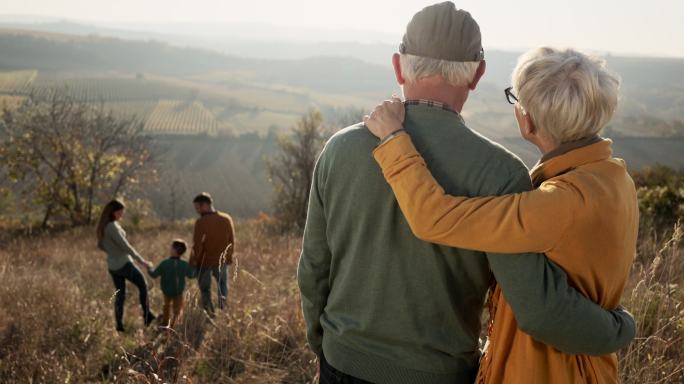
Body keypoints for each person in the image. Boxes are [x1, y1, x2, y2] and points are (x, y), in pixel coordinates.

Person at [297, 3, 635, 384]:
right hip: (440, 374)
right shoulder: (503, 174)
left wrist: (322, 346)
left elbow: (313, 269)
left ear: (397, 66)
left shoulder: (340, 149)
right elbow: (533, 301)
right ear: (477, 75)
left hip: (342, 362)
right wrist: (619, 327)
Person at [96, 199, 156, 332]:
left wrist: (112, 252)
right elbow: (126, 246)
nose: (122, 214)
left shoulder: (103, 226)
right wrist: (142, 261)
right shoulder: (112, 226)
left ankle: (119, 325)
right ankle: (148, 316)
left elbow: (100, 245)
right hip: (124, 264)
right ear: (114, 212)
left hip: (113, 266)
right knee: (143, 285)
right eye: (120, 212)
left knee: (120, 294)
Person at [189, 192, 235, 315]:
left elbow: (196, 245)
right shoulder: (226, 219)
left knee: (205, 290)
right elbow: (231, 240)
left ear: (205, 205)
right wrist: (229, 257)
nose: (197, 210)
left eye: (197, 207)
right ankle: (222, 310)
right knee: (222, 286)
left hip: (204, 262)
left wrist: (193, 262)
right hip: (222, 261)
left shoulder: (201, 222)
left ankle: (210, 313)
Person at [147, 239, 196, 328]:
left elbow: (154, 275)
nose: (170, 249)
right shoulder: (184, 264)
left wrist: (149, 267)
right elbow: (192, 275)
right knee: (177, 310)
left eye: (171, 247)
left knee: (166, 307)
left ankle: (165, 324)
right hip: (179, 292)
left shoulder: (165, 263)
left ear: (174, 250)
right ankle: (174, 325)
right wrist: (195, 266)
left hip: (166, 291)